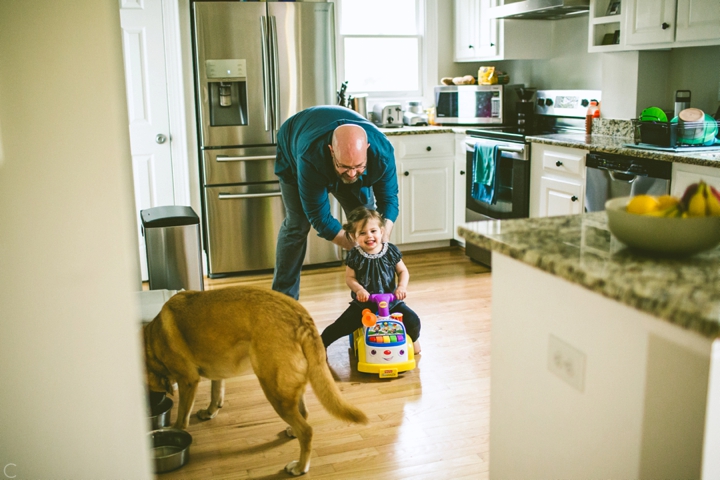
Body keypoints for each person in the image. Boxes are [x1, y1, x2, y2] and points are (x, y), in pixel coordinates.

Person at [272, 105, 399, 300]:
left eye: (358, 166)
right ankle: (283, 299)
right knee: (297, 224)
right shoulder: (309, 155)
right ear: (331, 151)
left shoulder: (382, 153)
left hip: (334, 154)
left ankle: (372, 298)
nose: (351, 173)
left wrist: (381, 237)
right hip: (294, 143)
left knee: (366, 221)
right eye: (344, 167)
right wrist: (358, 248)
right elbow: (319, 217)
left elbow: (389, 200)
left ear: (367, 150)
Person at [321, 207, 421, 354]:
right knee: (343, 324)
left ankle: (414, 339)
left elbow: (403, 271)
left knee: (413, 320)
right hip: (364, 304)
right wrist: (359, 290)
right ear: (354, 236)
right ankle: (321, 344)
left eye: (373, 231)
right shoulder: (355, 255)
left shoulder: (390, 251)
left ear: (381, 231)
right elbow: (350, 278)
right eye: (362, 233)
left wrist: (401, 287)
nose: (369, 236)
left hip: (391, 303)